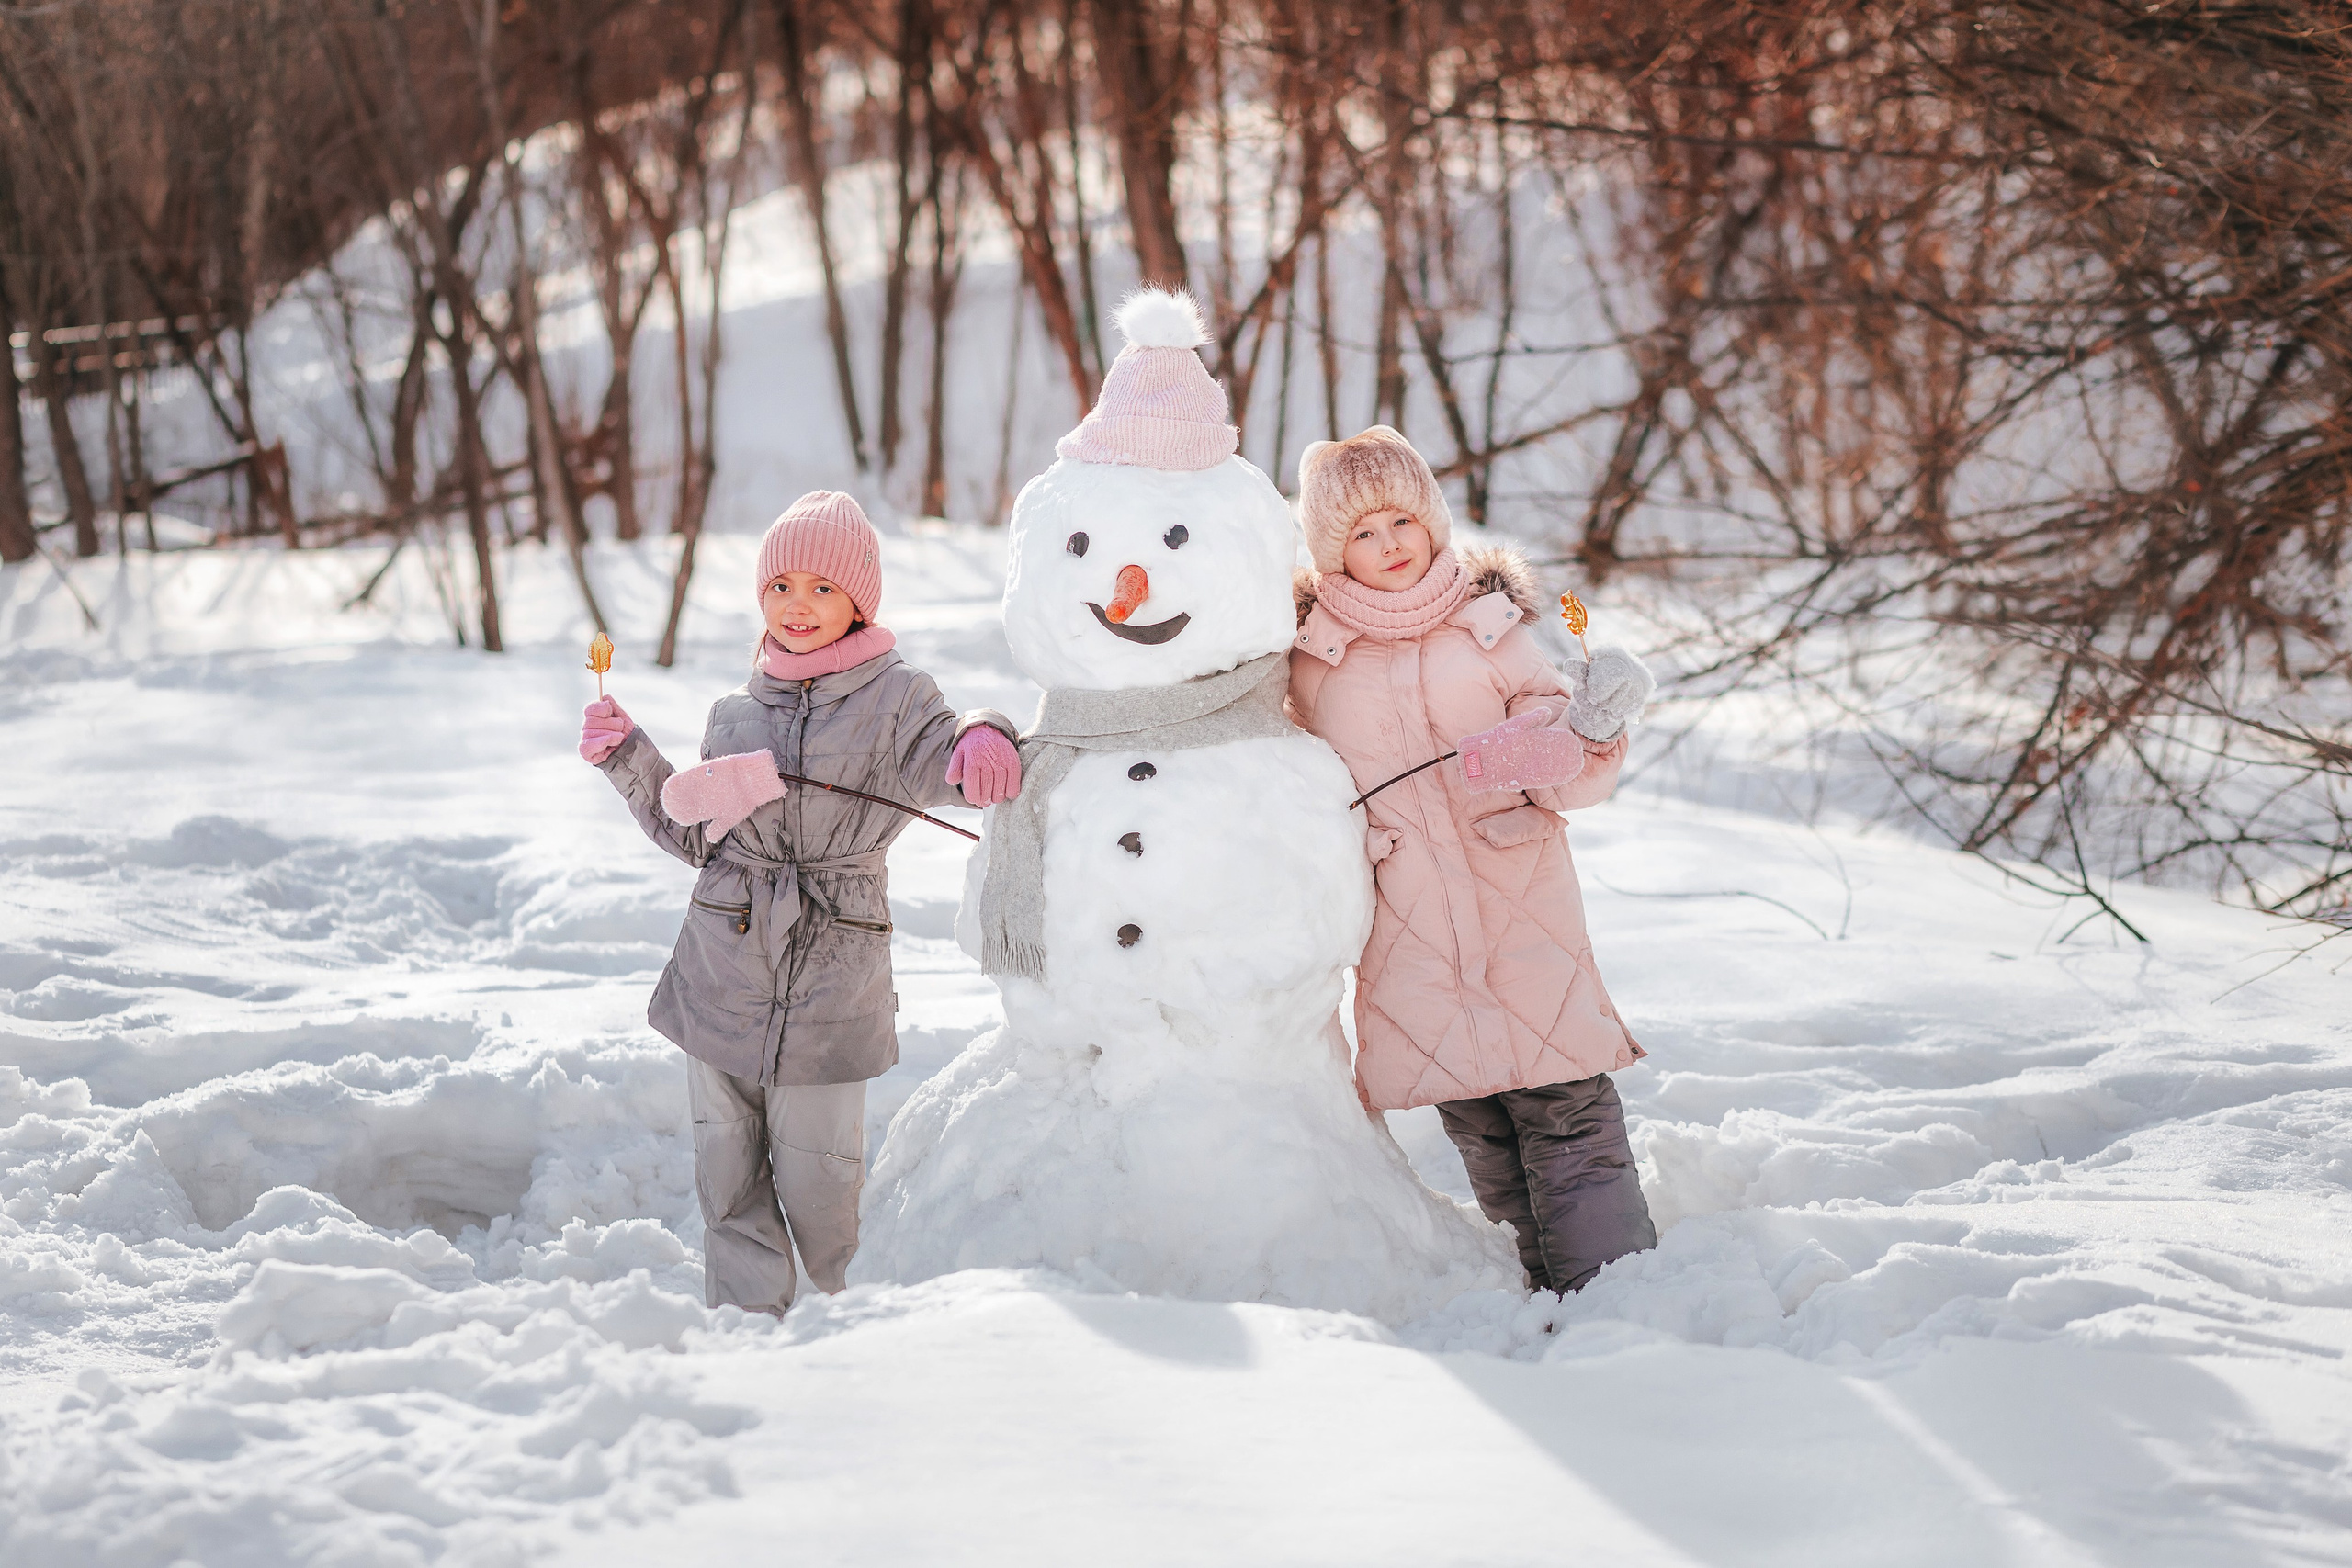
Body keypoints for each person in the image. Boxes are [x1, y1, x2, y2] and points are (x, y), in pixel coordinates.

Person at [577, 491, 1021, 1314]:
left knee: (824, 1191)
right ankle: (748, 1337)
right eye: (781, 585)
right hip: (720, 976)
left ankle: (847, 1334)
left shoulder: (897, 700)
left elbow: (946, 754)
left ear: (859, 598)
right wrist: (629, 759)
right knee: (729, 1180)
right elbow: (698, 840)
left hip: (830, 989)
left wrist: (983, 733)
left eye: (822, 586)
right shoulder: (734, 713)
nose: (799, 604)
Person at [1285, 427, 1658, 1294]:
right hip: (1406, 920)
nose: (1388, 548)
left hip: (1518, 898)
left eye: (1401, 523)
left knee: (1564, 1102)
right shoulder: (1308, 657)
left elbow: (1562, 755)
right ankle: (1528, 1285)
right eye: (1361, 535)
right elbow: (1291, 781)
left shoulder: (1489, 626)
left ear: (1432, 521)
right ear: (1330, 550)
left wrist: (1589, 730)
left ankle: (1617, 1296)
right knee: (1482, 1116)